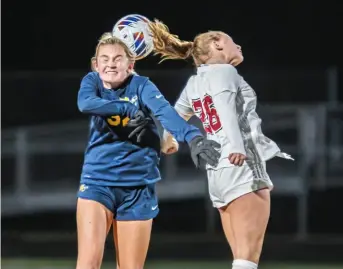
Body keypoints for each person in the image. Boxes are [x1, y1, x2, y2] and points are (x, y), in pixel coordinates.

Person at [149, 20, 293, 269]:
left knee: (240, 256)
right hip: (240, 161)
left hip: (216, 168)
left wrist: (168, 140)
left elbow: (175, 115)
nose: (237, 44)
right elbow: (225, 108)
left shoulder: (195, 82)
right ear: (216, 43)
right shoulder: (225, 72)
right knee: (248, 256)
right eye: (230, 40)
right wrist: (237, 146)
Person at [76, 32, 220, 269]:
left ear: (130, 65)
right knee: (88, 264)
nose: (111, 63)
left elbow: (166, 114)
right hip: (97, 183)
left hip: (138, 187)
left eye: (118, 58)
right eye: (104, 58)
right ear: (96, 64)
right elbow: (85, 103)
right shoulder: (91, 82)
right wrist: (127, 110)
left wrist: (193, 137)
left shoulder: (141, 86)